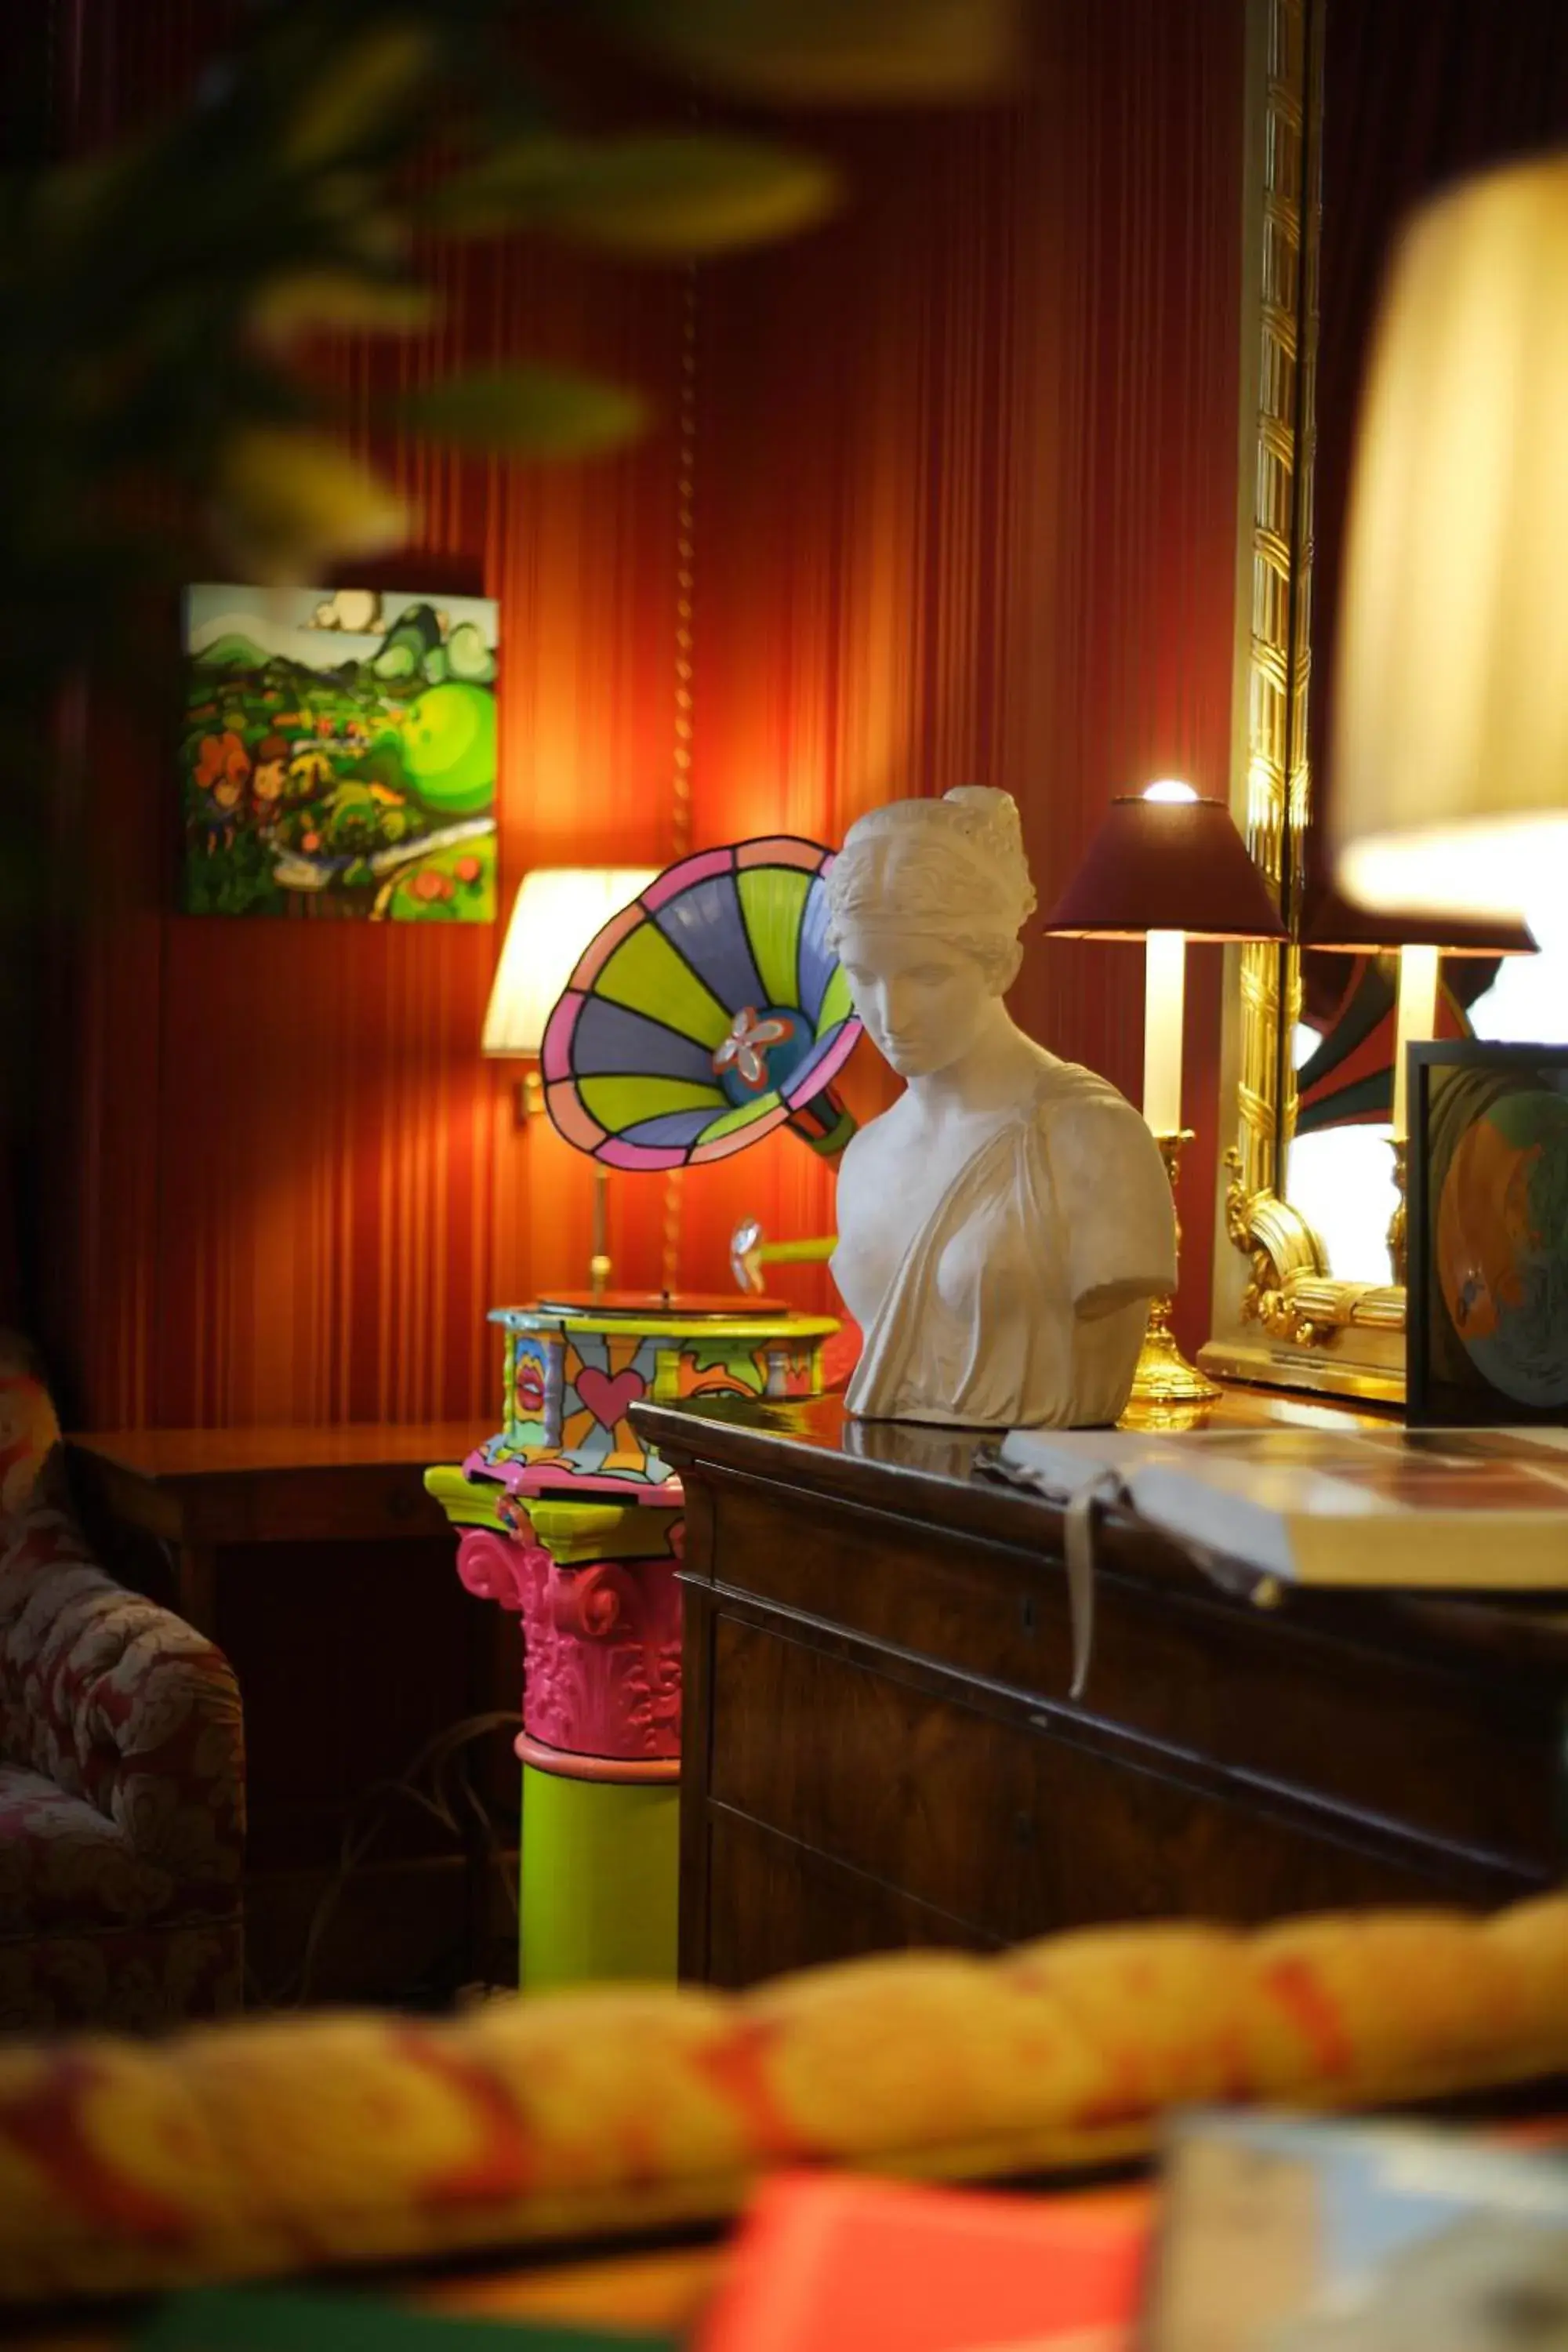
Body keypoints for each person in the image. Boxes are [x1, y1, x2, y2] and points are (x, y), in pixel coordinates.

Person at [826, 786, 1175, 1428]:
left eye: (928, 976)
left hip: (1032, 1487)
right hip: (889, 1478)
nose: (890, 1015)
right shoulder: (868, 1154)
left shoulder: (1089, 1136)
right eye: (865, 976)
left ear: (1002, 966)